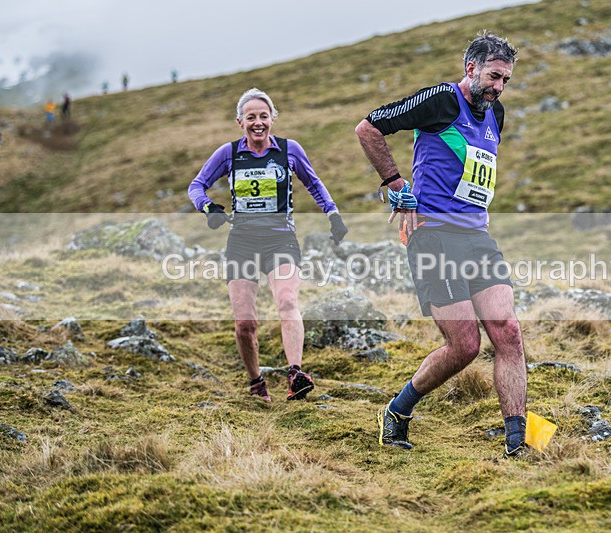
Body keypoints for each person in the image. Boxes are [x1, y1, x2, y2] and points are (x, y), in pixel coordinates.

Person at [355, 32, 528, 458]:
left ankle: (517, 443)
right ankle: (397, 411)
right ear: (470, 68)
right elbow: (369, 128)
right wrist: (396, 185)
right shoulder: (442, 101)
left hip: (477, 237)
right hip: (433, 236)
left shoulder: (496, 113)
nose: (498, 87)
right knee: (465, 346)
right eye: (493, 76)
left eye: (505, 79)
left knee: (508, 332)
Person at [188, 88, 348, 402]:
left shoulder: (289, 150)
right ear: (240, 122)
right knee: (245, 323)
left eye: (264, 116)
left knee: (287, 302)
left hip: (281, 240)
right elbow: (196, 186)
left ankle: (295, 374)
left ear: (272, 119)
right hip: (242, 243)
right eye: (251, 117)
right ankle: (256, 382)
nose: (258, 123)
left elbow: (313, 183)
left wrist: (334, 215)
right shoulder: (229, 153)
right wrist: (208, 207)